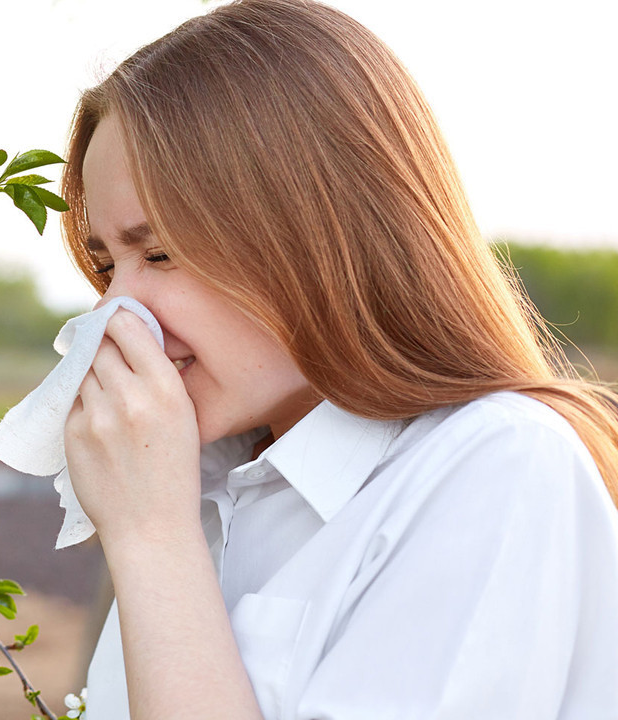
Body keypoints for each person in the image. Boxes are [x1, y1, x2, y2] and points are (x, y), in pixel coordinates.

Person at [57, 1, 618, 718]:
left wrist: (151, 541)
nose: (114, 313)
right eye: (106, 267)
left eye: (159, 253)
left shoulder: (497, 466)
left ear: (319, 232)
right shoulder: (200, 481)